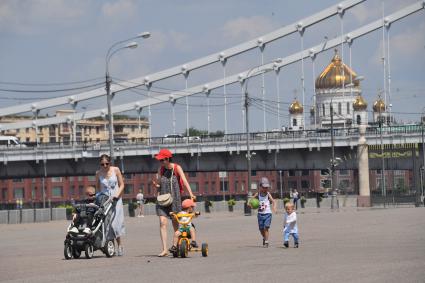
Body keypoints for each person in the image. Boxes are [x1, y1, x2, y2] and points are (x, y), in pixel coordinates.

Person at [152, 148, 196, 257]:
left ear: (167, 159)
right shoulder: (160, 169)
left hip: (175, 199)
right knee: (162, 222)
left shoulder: (177, 168)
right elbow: (159, 184)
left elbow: (184, 181)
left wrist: (191, 194)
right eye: (160, 160)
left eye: (162, 160)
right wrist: (156, 186)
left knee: (175, 223)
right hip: (163, 199)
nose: (160, 162)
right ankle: (164, 249)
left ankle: (176, 246)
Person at [95, 154, 126, 256]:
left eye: (106, 163)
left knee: (115, 224)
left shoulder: (116, 170)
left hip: (116, 200)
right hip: (105, 201)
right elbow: (98, 188)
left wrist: (117, 195)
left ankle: (120, 245)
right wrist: (98, 198)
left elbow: (122, 185)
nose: (104, 166)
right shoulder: (98, 173)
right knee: (107, 224)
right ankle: (110, 246)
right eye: (102, 164)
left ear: (110, 163)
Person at [249, 177, 277, 248]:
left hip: (268, 214)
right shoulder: (257, 194)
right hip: (260, 215)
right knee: (261, 229)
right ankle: (264, 238)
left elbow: (273, 201)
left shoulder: (268, 194)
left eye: (267, 187)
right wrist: (250, 204)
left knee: (266, 228)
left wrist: (274, 208)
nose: (265, 189)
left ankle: (266, 241)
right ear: (260, 186)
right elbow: (251, 199)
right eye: (264, 187)